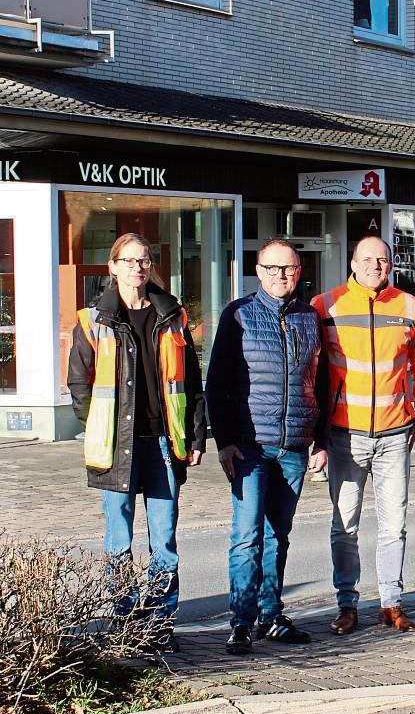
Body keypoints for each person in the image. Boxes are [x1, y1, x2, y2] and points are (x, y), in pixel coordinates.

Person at [67, 233, 206, 651]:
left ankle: (160, 625)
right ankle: (123, 623)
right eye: (128, 261)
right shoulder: (94, 320)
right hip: (116, 447)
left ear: (150, 266)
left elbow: (191, 382)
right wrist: (95, 424)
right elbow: (79, 383)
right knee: (118, 541)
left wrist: (196, 433)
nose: (137, 268)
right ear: (112, 267)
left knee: (164, 540)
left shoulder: (173, 316)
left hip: (163, 443)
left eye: (143, 260)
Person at [206, 238, 329, 655]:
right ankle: (240, 622)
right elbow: (217, 383)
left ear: (299, 272)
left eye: (290, 269)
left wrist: (321, 441)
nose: (281, 276)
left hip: (294, 445)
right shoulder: (238, 315)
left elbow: (324, 383)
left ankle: (271, 616)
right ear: (258, 272)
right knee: (247, 536)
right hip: (250, 446)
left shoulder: (310, 318)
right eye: (273, 268)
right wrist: (223, 441)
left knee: (280, 535)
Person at [312, 236, 415, 636]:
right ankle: (346, 605)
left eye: (382, 259)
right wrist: (316, 431)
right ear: (352, 263)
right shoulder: (325, 305)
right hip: (345, 435)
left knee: (393, 525)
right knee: (344, 525)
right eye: (367, 259)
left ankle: (391, 603)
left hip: (394, 433)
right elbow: (312, 370)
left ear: (391, 264)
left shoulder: (408, 305)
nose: (375, 265)